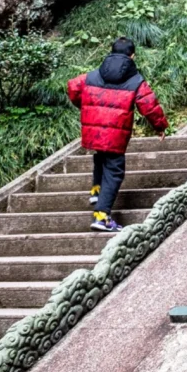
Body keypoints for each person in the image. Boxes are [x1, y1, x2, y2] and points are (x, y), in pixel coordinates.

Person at [68, 37, 167, 233]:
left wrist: (86, 106)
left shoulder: (94, 75)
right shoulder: (135, 80)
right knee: (114, 171)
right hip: (115, 133)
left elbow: (73, 86)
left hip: (94, 130)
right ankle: (102, 216)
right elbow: (149, 105)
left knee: (101, 157)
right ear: (132, 55)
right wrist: (160, 126)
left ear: (111, 51)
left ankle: (97, 191)